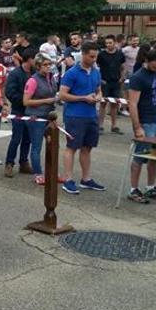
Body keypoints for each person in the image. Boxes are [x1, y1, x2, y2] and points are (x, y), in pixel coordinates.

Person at [59, 41, 106, 195]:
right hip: (75, 115)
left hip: (91, 115)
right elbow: (63, 95)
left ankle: (86, 179)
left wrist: (98, 96)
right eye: (91, 56)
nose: (94, 59)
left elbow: (99, 90)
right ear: (84, 55)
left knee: (87, 148)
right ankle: (68, 179)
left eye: (95, 57)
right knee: (72, 147)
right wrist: (83, 98)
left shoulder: (95, 71)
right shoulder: (72, 73)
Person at [126, 49, 156, 204]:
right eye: (154, 65)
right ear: (147, 61)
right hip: (146, 122)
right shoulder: (138, 77)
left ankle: (150, 186)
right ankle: (133, 189)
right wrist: (137, 127)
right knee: (140, 156)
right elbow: (132, 104)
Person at [23, 54, 59, 185]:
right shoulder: (33, 80)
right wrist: (47, 100)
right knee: (36, 146)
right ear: (38, 66)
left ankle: (51, 172)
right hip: (35, 116)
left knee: (52, 145)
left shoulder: (51, 78)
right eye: (45, 65)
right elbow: (26, 101)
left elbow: (53, 93)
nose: (48, 67)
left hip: (49, 116)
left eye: (50, 64)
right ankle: (38, 173)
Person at [3, 48, 36, 177]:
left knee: (28, 138)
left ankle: (24, 162)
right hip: (18, 110)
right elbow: (10, 92)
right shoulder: (15, 74)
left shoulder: (35, 73)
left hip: (31, 111)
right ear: (29, 59)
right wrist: (24, 100)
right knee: (16, 138)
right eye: (35, 59)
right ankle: (9, 163)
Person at [97, 35, 125, 134]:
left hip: (116, 82)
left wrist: (122, 77)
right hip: (105, 82)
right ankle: (100, 125)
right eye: (107, 43)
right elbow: (96, 67)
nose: (108, 45)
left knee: (114, 104)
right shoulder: (101, 54)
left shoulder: (120, 54)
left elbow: (122, 67)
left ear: (115, 43)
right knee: (103, 103)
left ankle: (114, 125)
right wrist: (100, 79)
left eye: (110, 43)